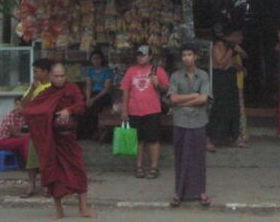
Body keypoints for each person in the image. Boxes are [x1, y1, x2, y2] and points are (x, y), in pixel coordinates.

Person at [23, 63, 95, 219]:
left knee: (79, 170)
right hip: (52, 139)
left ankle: (83, 209)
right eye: (56, 76)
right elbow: (28, 110)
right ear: (50, 76)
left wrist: (68, 110)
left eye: (62, 76)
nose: (59, 79)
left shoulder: (72, 89)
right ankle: (59, 211)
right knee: (53, 173)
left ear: (66, 76)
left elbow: (81, 105)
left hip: (69, 138)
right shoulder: (46, 93)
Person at [168, 43, 212, 208]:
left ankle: (201, 191)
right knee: (180, 157)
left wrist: (184, 99)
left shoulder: (203, 76)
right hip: (180, 121)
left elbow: (204, 99)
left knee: (198, 158)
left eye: (189, 54)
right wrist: (194, 95)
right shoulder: (175, 76)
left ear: (195, 57)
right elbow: (172, 99)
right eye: (184, 55)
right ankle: (178, 192)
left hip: (199, 121)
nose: (186, 58)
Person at [120, 45, 169, 180]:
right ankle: (139, 166)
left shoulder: (157, 70)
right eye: (139, 55)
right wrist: (124, 109)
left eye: (144, 55)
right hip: (134, 110)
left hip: (152, 110)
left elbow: (166, 89)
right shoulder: (131, 71)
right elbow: (125, 90)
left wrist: (157, 84)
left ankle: (154, 167)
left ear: (150, 56)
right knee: (138, 140)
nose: (141, 57)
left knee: (153, 139)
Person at [18, 58, 53, 197]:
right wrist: (32, 88)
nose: (34, 73)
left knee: (47, 158)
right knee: (32, 159)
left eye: (36, 71)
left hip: (47, 127)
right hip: (34, 127)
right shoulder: (34, 86)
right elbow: (23, 104)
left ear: (45, 72)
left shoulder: (52, 87)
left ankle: (47, 186)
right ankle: (31, 186)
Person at [207, 38, 240, 149]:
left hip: (230, 78)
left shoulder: (232, 47)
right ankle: (211, 138)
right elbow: (220, 64)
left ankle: (232, 137)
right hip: (220, 79)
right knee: (219, 108)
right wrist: (229, 52)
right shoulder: (218, 46)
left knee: (232, 108)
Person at [82, 49, 114, 141]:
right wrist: (88, 98)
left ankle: (95, 133)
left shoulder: (107, 71)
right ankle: (86, 133)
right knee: (84, 107)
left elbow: (106, 88)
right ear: (91, 60)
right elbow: (88, 85)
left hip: (103, 95)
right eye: (94, 59)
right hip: (92, 94)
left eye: (98, 58)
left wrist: (94, 99)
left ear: (101, 59)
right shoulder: (90, 71)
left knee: (95, 107)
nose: (96, 61)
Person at [227, 28, 249, 147]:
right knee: (239, 109)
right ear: (234, 35)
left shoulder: (235, 48)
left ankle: (241, 135)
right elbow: (230, 63)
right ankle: (240, 135)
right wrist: (241, 68)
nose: (241, 39)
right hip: (234, 82)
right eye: (240, 37)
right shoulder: (230, 48)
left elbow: (245, 56)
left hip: (238, 81)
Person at [0, 97, 30, 165]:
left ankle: (26, 163)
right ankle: (29, 164)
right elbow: (15, 134)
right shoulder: (11, 115)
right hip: (2, 141)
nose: (18, 107)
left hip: (12, 139)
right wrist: (30, 135)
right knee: (26, 140)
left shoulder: (24, 116)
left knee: (29, 141)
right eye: (16, 104)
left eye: (21, 105)